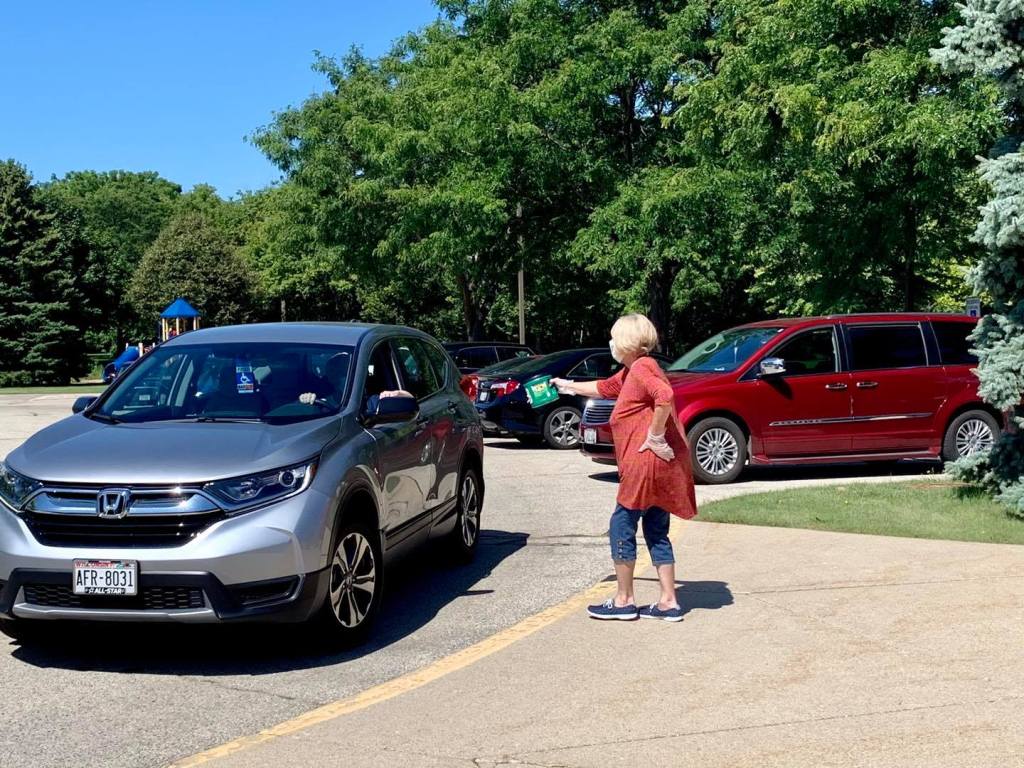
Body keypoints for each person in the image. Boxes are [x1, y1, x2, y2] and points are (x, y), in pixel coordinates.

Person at [551, 314, 697, 622]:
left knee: (621, 524)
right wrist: (568, 386)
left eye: (615, 338)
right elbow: (605, 387)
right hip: (659, 465)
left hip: (644, 463)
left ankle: (624, 600)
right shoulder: (635, 370)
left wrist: (654, 435)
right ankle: (668, 602)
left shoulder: (642, 369)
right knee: (656, 528)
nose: (612, 343)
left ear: (627, 341)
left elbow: (665, 396)